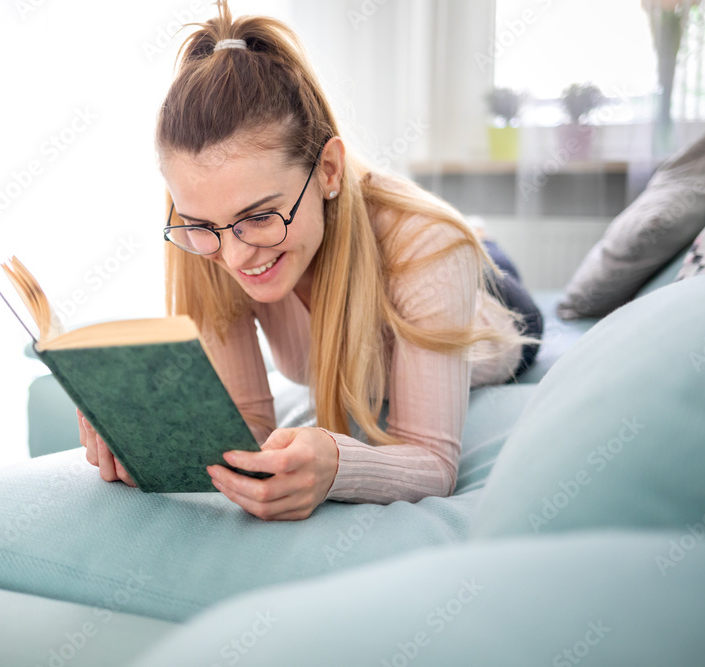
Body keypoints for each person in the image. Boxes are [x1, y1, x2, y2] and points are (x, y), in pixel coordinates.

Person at [78, 1, 542, 520]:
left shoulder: (430, 248)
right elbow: (250, 421)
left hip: (490, 299)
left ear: (327, 170)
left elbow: (434, 461)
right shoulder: (206, 239)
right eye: (205, 226)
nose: (233, 257)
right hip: (383, 235)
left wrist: (336, 465)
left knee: (468, 249)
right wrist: (159, 438)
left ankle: (476, 235)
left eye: (259, 216)